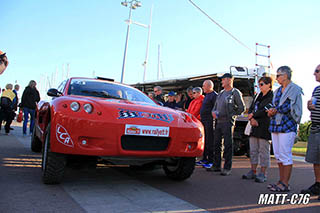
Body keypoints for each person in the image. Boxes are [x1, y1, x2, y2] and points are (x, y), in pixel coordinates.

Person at [267, 66, 303, 192]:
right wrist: (271, 111)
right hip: (276, 125)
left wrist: (275, 110)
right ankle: (281, 180)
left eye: (278, 75)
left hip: (288, 125)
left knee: (285, 154)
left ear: (286, 76)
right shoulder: (277, 91)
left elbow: (289, 106)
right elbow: (275, 105)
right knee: (278, 155)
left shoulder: (295, 89)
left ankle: (285, 183)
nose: (276, 78)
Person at [212, 73, 245, 176]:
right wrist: (213, 112)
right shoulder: (221, 93)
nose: (221, 81)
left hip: (228, 122)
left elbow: (241, 108)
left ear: (229, 80)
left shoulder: (235, 93)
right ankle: (216, 165)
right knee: (217, 144)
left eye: (223, 80)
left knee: (228, 145)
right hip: (219, 122)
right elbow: (215, 107)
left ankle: (227, 168)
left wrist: (231, 114)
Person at [242, 76, 273, 183]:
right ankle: (253, 170)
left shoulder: (271, 96)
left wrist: (253, 115)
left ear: (269, 84)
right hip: (254, 126)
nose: (260, 86)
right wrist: (251, 118)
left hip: (264, 126)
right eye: (259, 84)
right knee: (253, 150)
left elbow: (265, 109)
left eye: (262, 84)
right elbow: (251, 108)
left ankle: (263, 173)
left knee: (264, 150)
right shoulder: (257, 96)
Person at [301, 64, 320, 199]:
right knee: (315, 158)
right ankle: (318, 184)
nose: (314, 74)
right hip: (315, 127)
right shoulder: (316, 89)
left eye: (317, 71)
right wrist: (309, 107)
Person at [196, 80, 217, 169]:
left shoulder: (214, 96)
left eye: (204, 86)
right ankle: (204, 158)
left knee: (210, 141)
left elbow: (216, 108)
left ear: (209, 86)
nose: (203, 87)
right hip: (203, 120)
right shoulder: (207, 96)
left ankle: (211, 160)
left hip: (210, 121)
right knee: (205, 140)